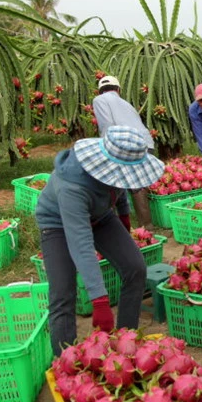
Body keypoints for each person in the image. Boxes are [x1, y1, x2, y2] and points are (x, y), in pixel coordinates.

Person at [35, 126, 165, 356]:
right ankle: (66, 361)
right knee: (63, 294)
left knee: (135, 268)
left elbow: (120, 182)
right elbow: (81, 243)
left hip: (101, 215)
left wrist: (124, 215)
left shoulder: (114, 164)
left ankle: (125, 340)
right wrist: (99, 300)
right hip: (58, 225)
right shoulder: (72, 186)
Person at [93, 75, 156, 228]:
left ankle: (114, 226)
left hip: (126, 144)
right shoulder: (126, 103)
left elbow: (107, 123)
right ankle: (147, 226)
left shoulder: (99, 100)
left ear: (100, 91)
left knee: (113, 182)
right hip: (146, 143)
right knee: (138, 184)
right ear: (118, 89)